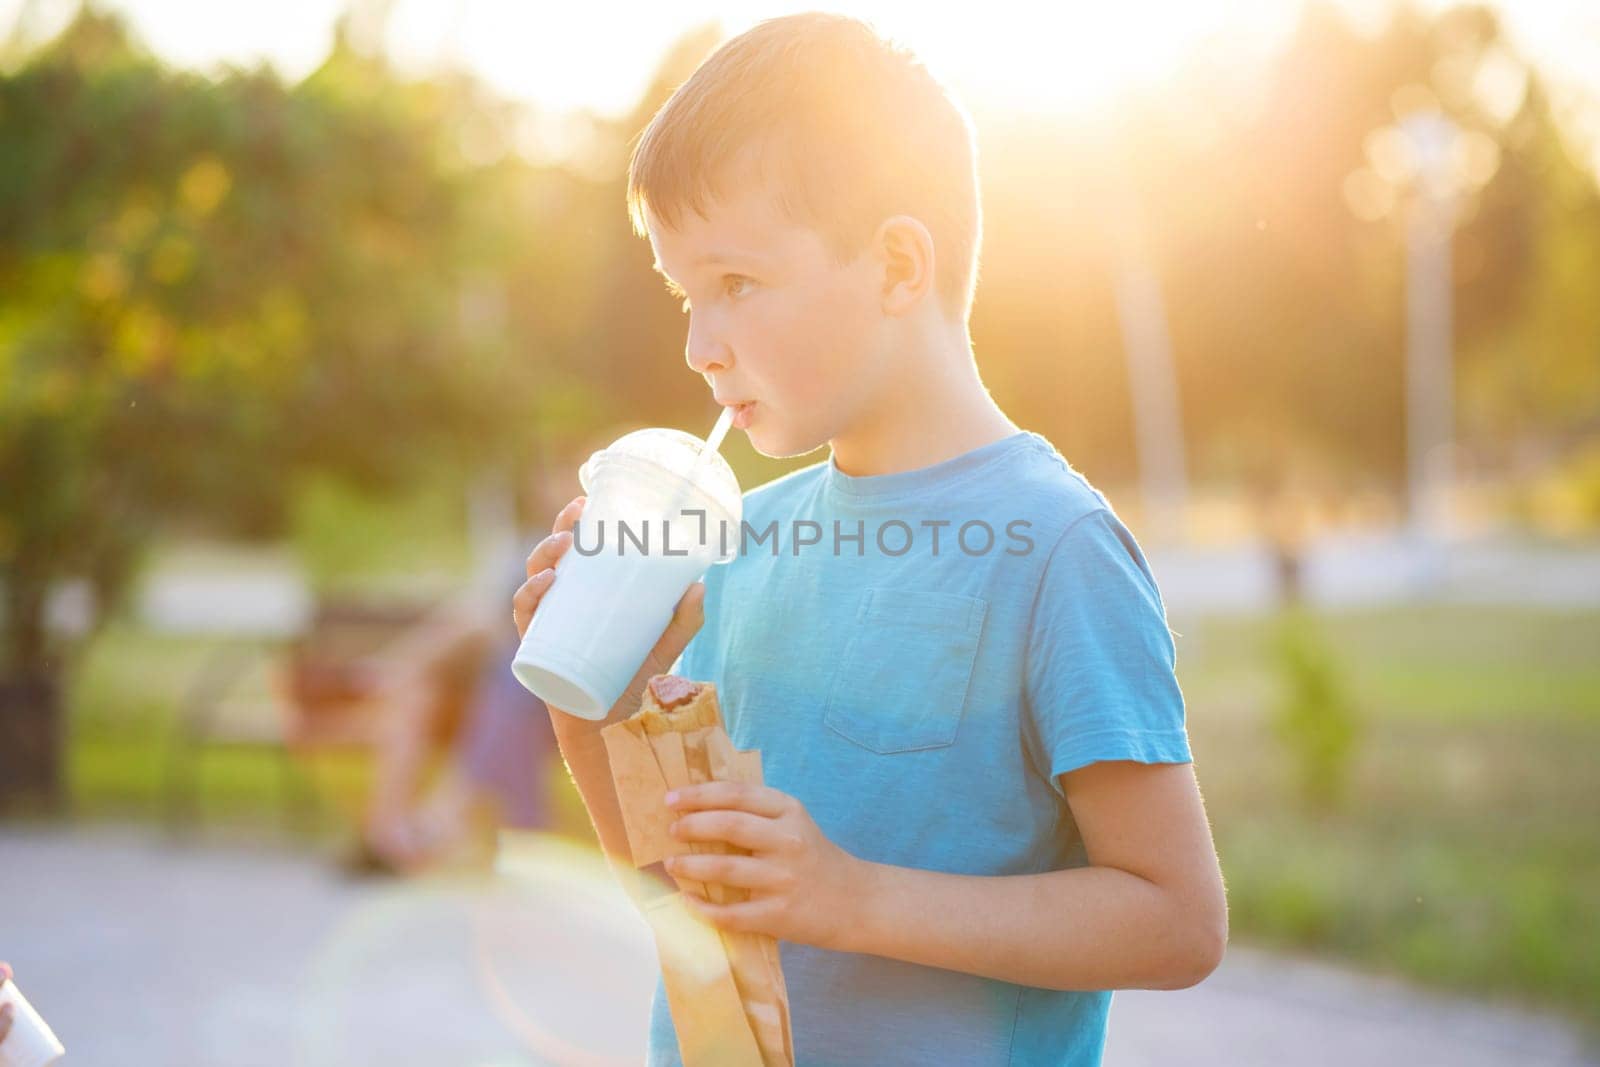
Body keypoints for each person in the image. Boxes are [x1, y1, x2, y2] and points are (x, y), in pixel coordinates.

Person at [513, 14, 1227, 1065]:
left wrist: (851, 896)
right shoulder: (735, 539)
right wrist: (591, 703)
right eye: (684, 295)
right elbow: (683, 890)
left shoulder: (1051, 546)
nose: (699, 347)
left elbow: (1176, 919)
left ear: (897, 265)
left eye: (737, 284)